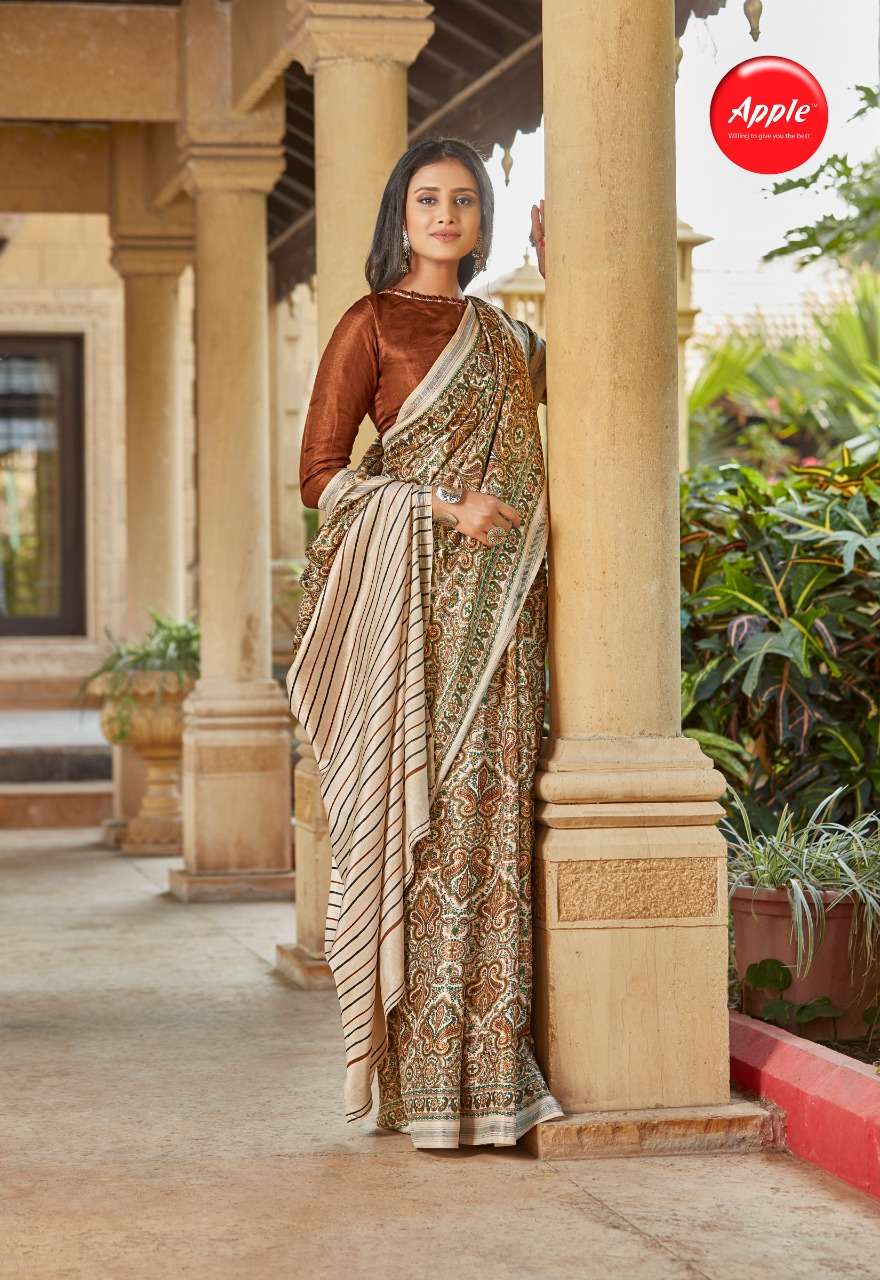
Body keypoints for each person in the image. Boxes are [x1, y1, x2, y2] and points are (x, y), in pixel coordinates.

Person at [286, 134, 563, 1149]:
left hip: (502, 622)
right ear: (400, 216)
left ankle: (490, 1073)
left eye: (463, 200)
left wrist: (564, 276)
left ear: (482, 219)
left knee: (491, 827)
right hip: (412, 620)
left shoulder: (505, 336)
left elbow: (578, 393)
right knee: (424, 831)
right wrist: (444, 504)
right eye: (427, 199)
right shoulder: (370, 322)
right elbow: (319, 475)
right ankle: (420, 1083)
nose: (446, 216)